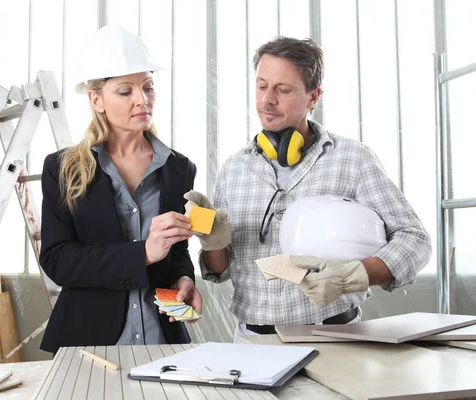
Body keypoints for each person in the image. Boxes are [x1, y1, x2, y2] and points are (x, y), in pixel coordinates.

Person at [185, 36, 431, 338]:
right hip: (251, 341)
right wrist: (213, 242)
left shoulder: (351, 159)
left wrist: (352, 276)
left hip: (334, 337)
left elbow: (415, 240)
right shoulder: (234, 169)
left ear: (313, 97)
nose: (267, 100)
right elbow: (219, 271)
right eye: (262, 86)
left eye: (282, 89)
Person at [39, 26, 201, 354]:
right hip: (87, 342)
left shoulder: (179, 168)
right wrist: (143, 252)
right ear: (96, 99)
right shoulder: (63, 168)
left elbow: (177, 250)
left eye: (148, 87)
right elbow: (57, 260)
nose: (142, 100)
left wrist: (185, 279)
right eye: (125, 91)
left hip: (163, 339)